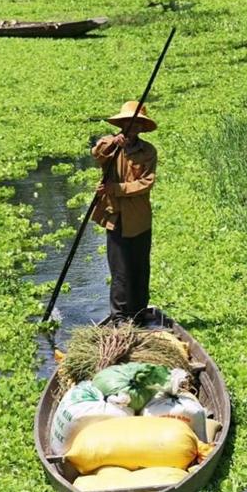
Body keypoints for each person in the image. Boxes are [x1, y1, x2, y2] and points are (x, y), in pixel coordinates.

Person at [91, 100, 158, 324]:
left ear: (141, 127)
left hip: (139, 219)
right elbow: (97, 151)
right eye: (130, 123)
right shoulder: (112, 147)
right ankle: (119, 318)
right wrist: (113, 142)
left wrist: (115, 189)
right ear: (122, 125)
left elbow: (146, 183)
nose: (133, 128)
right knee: (120, 272)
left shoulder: (148, 151)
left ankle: (138, 315)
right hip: (116, 218)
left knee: (140, 268)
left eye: (138, 124)